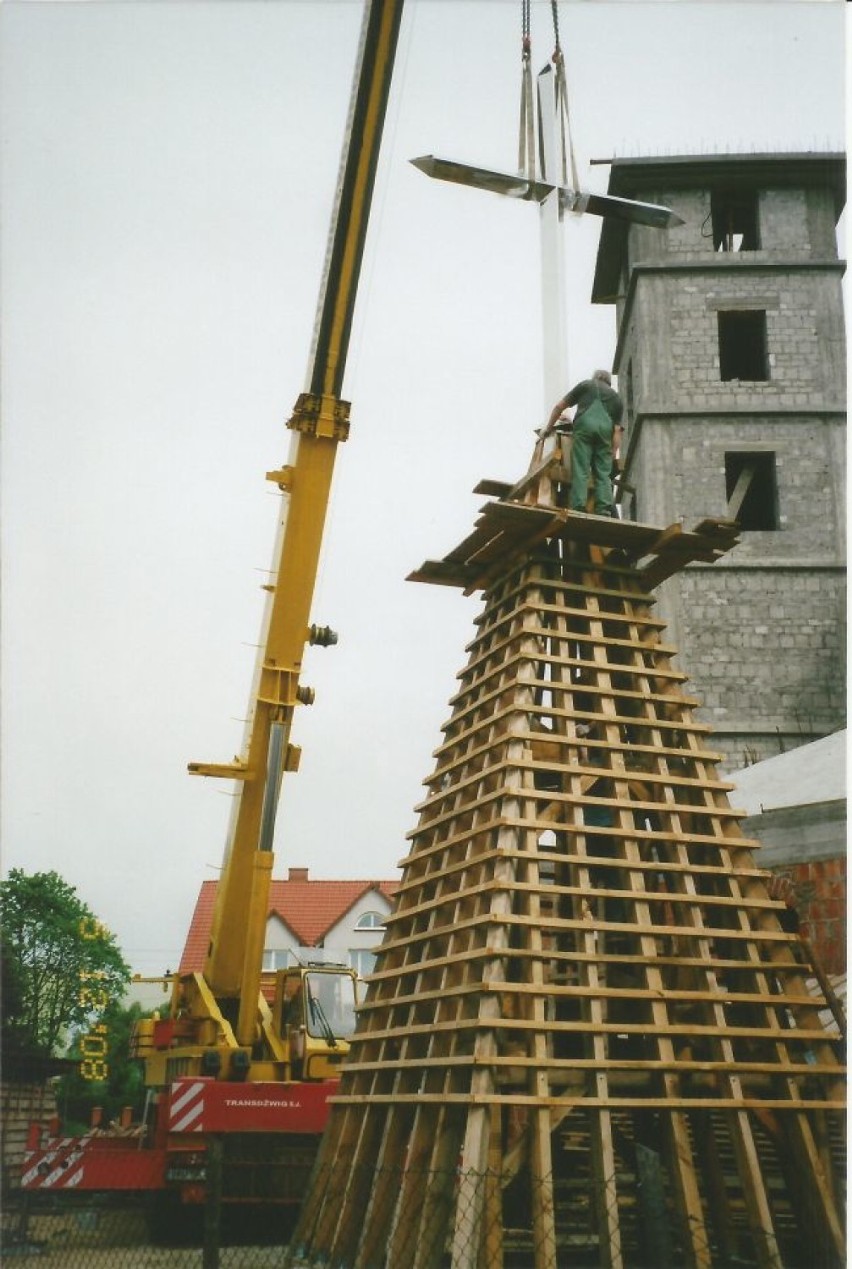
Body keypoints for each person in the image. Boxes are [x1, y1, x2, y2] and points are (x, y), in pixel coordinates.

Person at [543, 369, 624, 516]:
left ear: (595, 377)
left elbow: (559, 407)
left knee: (581, 467)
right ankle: (604, 509)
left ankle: (579, 506)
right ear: (609, 382)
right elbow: (617, 431)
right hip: (605, 433)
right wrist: (612, 455)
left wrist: (547, 429)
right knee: (603, 474)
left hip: (584, 429)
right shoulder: (617, 399)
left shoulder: (585, 386)